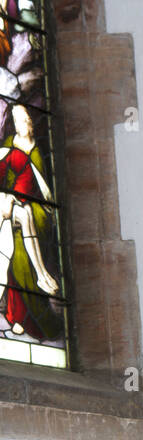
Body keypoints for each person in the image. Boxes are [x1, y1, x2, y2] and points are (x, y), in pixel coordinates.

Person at [0, 103, 61, 337]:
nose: (20, 125)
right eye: (16, 121)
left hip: (30, 207)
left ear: (30, 122)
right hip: (9, 206)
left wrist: (14, 198)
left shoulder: (35, 149)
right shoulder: (8, 147)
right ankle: (15, 315)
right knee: (13, 258)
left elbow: (37, 184)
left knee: (24, 226)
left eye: (23, 120)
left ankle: (41, 276)